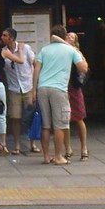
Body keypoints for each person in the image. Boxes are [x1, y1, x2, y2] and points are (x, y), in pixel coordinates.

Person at [31, 24, 88, 165]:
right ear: (64, 35)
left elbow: (36, 69)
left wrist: (34, 90)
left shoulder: (44, 50)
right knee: (59, 125)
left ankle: (46, 157)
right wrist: (77, 53)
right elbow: (83, 68)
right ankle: (58, 156)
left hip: (43, 88)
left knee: (45, 125)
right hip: (59, 89)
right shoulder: (70, 50)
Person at [0, 27, 38, 155]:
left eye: (4, 35)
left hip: (27, 86)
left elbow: (34, 63)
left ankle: (32, 142)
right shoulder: (3, 52)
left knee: (31, 116)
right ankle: (16, 144)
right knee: (15, 117)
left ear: (11, 38)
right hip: (14, 87)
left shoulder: (25, 48)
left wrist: (35, 88)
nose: (2, 37)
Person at [66, 32, 89, 161]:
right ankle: (68, 148)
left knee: (79, 117)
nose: (68, 38)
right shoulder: (61, 51)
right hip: (63, 86)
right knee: (64, 120)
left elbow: (84, 67)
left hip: (74, 86)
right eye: (67, 36)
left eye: (71, 37)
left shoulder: (76, 52)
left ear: (75, 42)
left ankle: (83, 148)